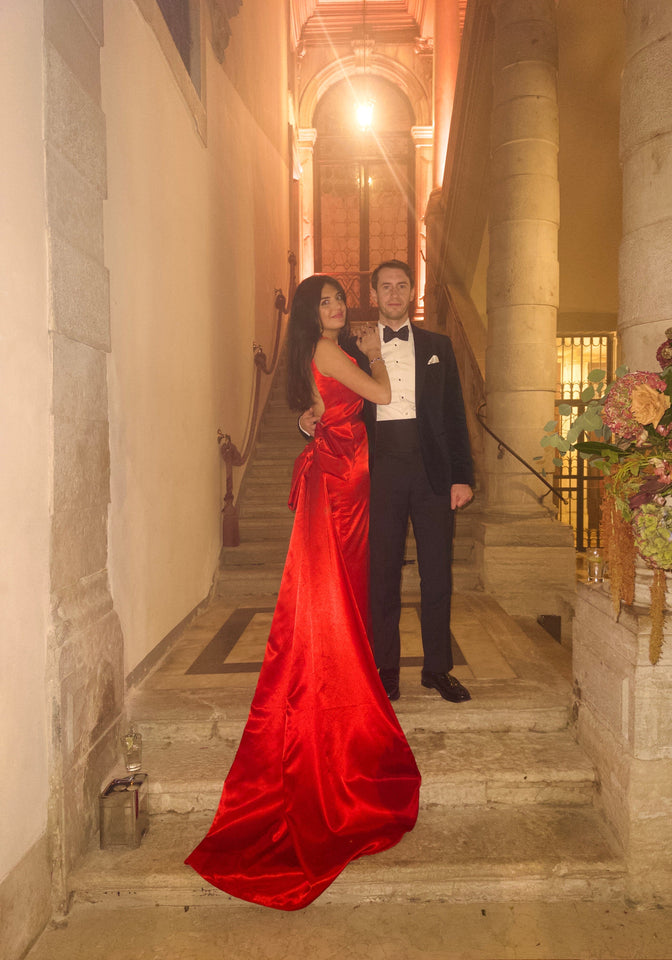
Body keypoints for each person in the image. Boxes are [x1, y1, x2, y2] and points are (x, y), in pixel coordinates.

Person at [185, 275, 421, 911]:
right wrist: (372, 353)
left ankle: (335, 665)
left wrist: (306, 416)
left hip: (340, 469)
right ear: (310, 314)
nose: (338, 306)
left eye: (340, 298)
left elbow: (323, 406)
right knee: (340, 589)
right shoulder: (332, 349)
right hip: (345, 476)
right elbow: (383, 392)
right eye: (325, 300)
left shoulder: (318, 355)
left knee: (337, 586)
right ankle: (337, 684)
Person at [301, 260, 474, 704]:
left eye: (402, 286)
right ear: (374, 296)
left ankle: (437, 669)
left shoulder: (440, 344)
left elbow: (456, 415)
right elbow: (329, 401)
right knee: (382, 576)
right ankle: (386, 669)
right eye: (385, 287)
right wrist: (308, 425)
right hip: (376, 472)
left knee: (437, 575)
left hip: (433, 470)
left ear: (412, 292)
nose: (394, 294)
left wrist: (462, 476)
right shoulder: (352, 348)